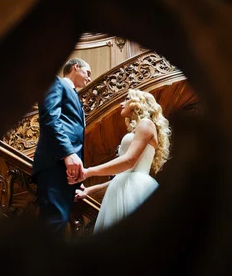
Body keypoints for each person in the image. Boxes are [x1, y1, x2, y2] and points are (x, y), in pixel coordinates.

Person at [69, 88, 171, 233]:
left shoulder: (146, 124)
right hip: (127, 187)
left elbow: (128, 161)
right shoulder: (140, 128)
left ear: (137, 103)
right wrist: (91, 190)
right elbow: (126, 174)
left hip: (136, 190)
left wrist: (88, 172)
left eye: (126, 99)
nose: (121, 104)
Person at [32, 58, 92, 236]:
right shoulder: (56, 83)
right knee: (55, 221)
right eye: (87, 73)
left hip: (66, 170)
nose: (89, 78)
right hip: (56, 164)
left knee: (58, 221)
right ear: (76, 67)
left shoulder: (74, 95)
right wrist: (68, 153)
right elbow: (50, 118)